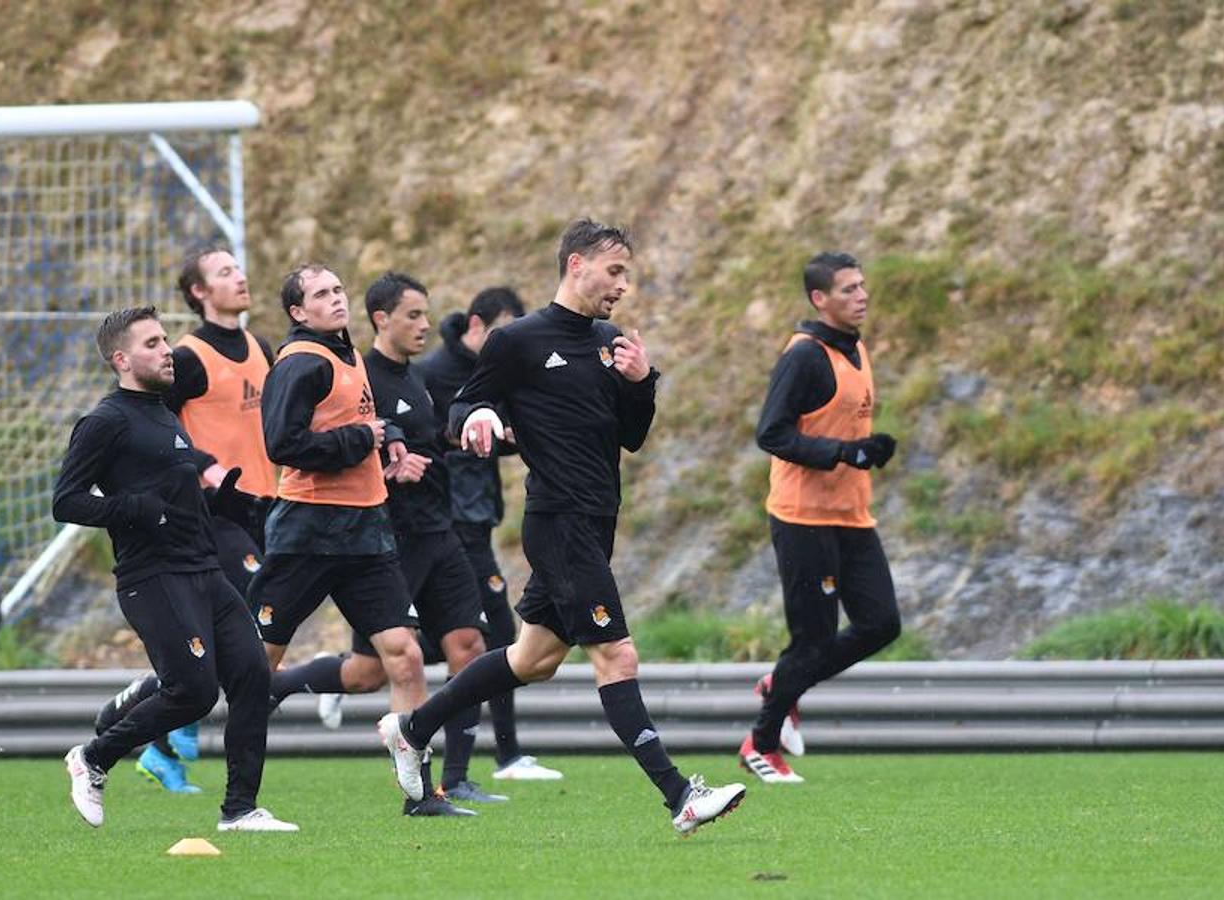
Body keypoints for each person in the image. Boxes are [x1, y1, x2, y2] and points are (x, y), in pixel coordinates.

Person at [379, 218, 746, 836]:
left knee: (534, 659)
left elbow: (632, 436)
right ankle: (680, 796)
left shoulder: (610, 342)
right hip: (558, 521)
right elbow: (464, 404)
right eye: (614, 271)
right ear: (577, 265)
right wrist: (477, 418)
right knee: (617, 654)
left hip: (597, 519)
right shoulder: (517, 340)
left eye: (626, 273)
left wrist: (642, 382)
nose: (622, 285)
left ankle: (412, 729)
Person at [55, 306, 295, 832]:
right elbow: (66, 501)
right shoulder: (104, 421)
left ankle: (240, 810)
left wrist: (221, 506)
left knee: (254, 676)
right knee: (194, 692)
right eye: (152, 344)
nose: (168, 351)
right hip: (153, 577)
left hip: (203, 569)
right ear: (121, 360)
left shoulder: (165, 414)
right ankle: (93, 758)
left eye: (165, 340)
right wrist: (136, 509)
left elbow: (173, 500)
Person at [244, 264, 453, 817]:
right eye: (321, 294)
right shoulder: (300, 362)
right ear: (298, 311)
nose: (336, 299)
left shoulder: (348, 353)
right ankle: (232, 797)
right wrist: (362, 438)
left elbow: (367, 416)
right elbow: (282, 444)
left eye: (338, 289)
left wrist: (392, 440)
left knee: (405, 656)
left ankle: (420, 796)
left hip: (365, 532)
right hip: (307, 533)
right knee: (254, 665)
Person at [93, 244, 277, 794]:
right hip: (207, 517)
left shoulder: (260, 347)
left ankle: (158, 726)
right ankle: (162, 725)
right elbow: (147, 427)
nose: (240, 277)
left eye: (239, 267)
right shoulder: (189, 358)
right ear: (199, 292)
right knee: (252, 634)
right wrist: (202, 468)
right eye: (224, 271)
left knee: (238, 646)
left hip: (259, 507)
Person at [738, 252, 902, 783]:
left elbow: (841, 427)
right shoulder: (804, 356)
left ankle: (782, 684)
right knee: (812, 639)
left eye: (863, 285)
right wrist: (843, 452)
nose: (862, 296)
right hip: (803, 518)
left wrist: (867, 450)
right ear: (819, 299)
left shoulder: (855, 347)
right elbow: (772, 433)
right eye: (848, 289)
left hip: (852, 515)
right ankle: (761, 744)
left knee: (881, 623)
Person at [416, 286, 563, 782]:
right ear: (476, 325)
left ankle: (490, 759)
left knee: (465, 638)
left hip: (476, 519)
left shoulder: (495, 368)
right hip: (445, 523)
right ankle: (503, 755)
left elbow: (492, 437)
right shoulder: (434, 373)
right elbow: (434, 439)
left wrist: (514, 434)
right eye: (500, 331)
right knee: (496, 631)